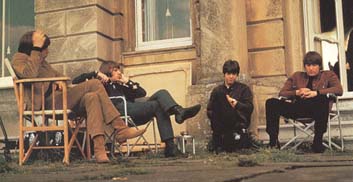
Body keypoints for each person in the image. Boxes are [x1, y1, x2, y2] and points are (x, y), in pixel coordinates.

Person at [11, 30, 145, 163]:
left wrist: (58, 81)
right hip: (47, 103)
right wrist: (36, 49)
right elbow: (29, 74)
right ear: (34, 46)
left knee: (92, 97)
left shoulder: (42, 62)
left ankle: (99, 151)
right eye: (45, 47)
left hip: (60, 99)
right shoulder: (19, 58)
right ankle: (120, 129)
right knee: (95, 83)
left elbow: (63, 78)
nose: (47, 51)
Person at [72, 61, 201, 157]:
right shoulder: (101, 84)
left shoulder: (122, 86)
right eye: (116, 70)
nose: (119, 72)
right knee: (158, 106)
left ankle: (178, 113)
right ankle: (172, 141)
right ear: (107, 71)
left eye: (119, 70)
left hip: (132, 112)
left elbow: (142, 93)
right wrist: (95, 74)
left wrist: (127, 81)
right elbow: (76, 81)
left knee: (161, 93)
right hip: (118, 112)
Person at [265, 51, 343, 153]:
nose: (311, 68)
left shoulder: (328, 75)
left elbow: (339, 90)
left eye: (314, 65)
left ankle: (317, 142)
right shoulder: (297, 76)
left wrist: (316, 93)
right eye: (308, 65)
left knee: (323, 98)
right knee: (271, 102)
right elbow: (282, 93)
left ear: (320, 66)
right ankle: (273, 142)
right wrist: (297, 92)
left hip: (318, 109)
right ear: (304, 66)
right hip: (298, 108)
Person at [206, 60, 254, 152]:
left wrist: (236, 104)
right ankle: (219, 141)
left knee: (221, 96)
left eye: (234, 74)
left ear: (237, 75)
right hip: (221, 124)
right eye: (228, 73)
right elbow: (209, 110)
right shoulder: (217, 90)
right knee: (220, 95)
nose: (231, 76)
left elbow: (249, 108)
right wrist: (218, 114)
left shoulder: (244, 89)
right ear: (224, 74)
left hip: (237, 121)